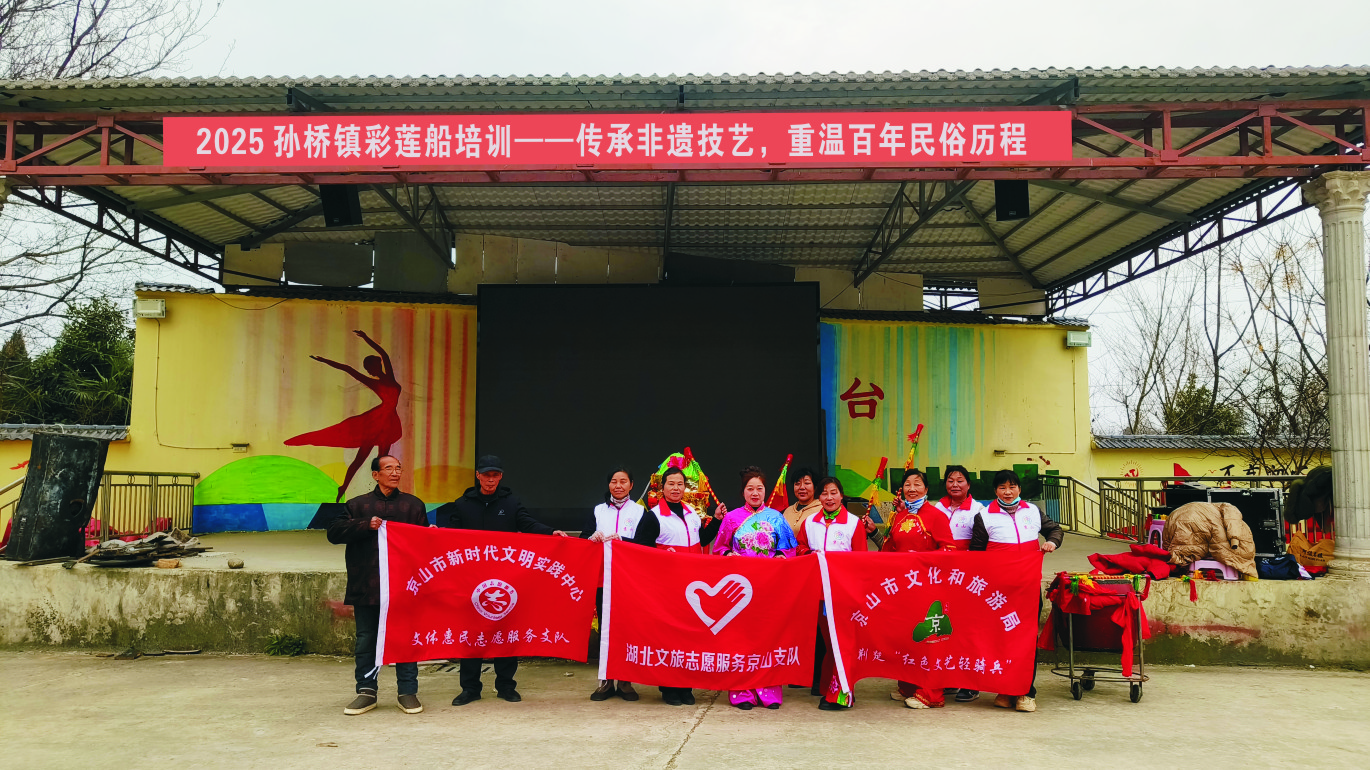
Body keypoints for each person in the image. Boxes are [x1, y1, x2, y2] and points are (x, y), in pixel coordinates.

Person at [434, 455, 569, 706]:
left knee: (506, 633)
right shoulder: (462, 504)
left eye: (495, 475)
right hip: (471, 581)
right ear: (478, 476)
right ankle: (470, 688)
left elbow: (527, 524)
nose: (490, 480)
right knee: (471, 635)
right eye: (486, 475)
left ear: (501, 477)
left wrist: (551, 532)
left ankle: (506, 686)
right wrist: (435, 535)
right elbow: (451, 535)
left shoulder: (511, 502)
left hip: (505, 579)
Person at [326, 454, 429, 716]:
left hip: (404, 585)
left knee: (405, 637)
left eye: (398, 468)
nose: (395, 473)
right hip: (367, 584)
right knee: (366, 639)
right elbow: (334, 533)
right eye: (389, 468)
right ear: (375, 475)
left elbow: (424, 544)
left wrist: (432, 536)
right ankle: (366, 691)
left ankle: (407, 692)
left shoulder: (413, 506)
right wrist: (365, 524)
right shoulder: (357, 505)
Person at [970, 469, 1063, 714]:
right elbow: (975, 556)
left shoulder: (1032, 511)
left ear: (1019, 489)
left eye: (1012, 487)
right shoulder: (984, 516)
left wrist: (1052, 541)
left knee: (1026, 639)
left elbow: (1055, 530)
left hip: (1028, 589)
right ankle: (1004, 689)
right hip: (998, 594)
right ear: (995, 491)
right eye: (1002, 487)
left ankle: (1026, 692)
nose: (1008, 492)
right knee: (1001, 640)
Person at [711, 466, 799, 710]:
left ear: (765, 491)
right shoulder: (732, 518)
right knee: (740, 638)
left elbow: (789, 548)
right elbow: (719, 548)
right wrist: (729, 554)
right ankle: (742, 689)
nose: (755, 493)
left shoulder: (776, 517)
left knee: (768, 637)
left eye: (759, 488)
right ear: (743, 492)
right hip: (740, 587)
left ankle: (768, 689)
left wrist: (781, 556)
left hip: (769, 586)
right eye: (750, 488)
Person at [286, 330, 403, 502]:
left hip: (388, 422)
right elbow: (348, 369)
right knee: (361, 459)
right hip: (376, 422)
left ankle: (381, 493)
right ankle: (344, 486)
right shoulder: (374, 383)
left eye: (371, 368)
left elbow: (383, 353)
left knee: (382, 461)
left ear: (378, 365)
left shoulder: (389, 377)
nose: (371, 372)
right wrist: (324, 360)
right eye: (369, 370)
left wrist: (366, 338)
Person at [880, 469, 958, 710]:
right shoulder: (899, 516)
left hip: (929, 587)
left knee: (929, 639)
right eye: (907, 484)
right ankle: (908, 685)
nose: (912, 489)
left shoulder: (936, 516)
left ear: (926, 489)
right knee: (907, 636)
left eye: (917, 484)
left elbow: (949, 550)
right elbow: (889, 550)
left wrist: (921, 560)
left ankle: (931, 693)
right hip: (903, 588)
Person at [580, 466, 658, 702]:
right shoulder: (598, 511)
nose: (618, 486)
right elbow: (583, 539)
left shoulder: (641, 512)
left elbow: (648, 545)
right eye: (614, 481)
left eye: (623, 481)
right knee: (605, 627)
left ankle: (625, 681)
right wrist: (591, 538)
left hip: (629, 580)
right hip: (603, 579)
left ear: (631, 485)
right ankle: (605, 681)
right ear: (609, 485)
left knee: (627, 628)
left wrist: (623, 540)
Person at [650, 465, 721, 706]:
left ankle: (686, 686)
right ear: (662, 488)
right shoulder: (653, 516)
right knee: (669, 637)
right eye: (671, 484)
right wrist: (661, 555)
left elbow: (702, 540)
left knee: (688, 637)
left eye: (680, 484)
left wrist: (716, 521)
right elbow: (641, 548)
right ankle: (669, 687)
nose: (676, 488)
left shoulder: (691, 513)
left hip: (692, 586)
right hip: (667, 587)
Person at [796, 477, 867, 711]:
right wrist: (810, 554)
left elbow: (862, 560)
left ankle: (842, 694)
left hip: (843, 592)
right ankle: (830, 686)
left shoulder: (853, 523)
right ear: (819, 498)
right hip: (818, 592)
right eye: (824, 493)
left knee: (841, 642)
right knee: (829, 641)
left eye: (833, 492)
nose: (829, 498)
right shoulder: (810, 522)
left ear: (841, 495)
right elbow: (799, 548)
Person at [934, 464, 987, 703]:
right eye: (950, 480)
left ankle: (970, 683)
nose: (954, 484)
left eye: (960, 480)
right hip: (941, 577)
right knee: (945, 627)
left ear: (968, 484)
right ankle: (949, 678)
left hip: (967, 578)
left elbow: (981, 545)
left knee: (967, 630)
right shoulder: (937, 508)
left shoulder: (979, 510)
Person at [781, 467, 822, 536]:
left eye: (807, 483)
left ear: (815, 487)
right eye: (797, 484)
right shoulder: (788, 511)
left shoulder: (821, 509)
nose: (802, 487)